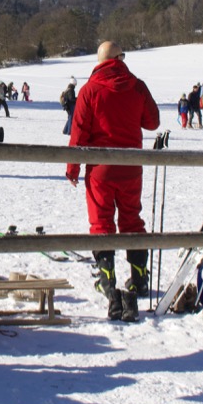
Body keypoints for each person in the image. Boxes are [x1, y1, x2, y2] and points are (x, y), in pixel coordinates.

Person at [67, 41, 160, 322]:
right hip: (131, 165)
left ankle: (107, 280)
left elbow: (79, 130)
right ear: (119, 58)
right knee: (132, 219)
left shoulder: (90, 89)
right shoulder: (137, 85)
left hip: (100, 169)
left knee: (102, 221)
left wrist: (72, 167)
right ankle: (139, 278)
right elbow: (153, 122)